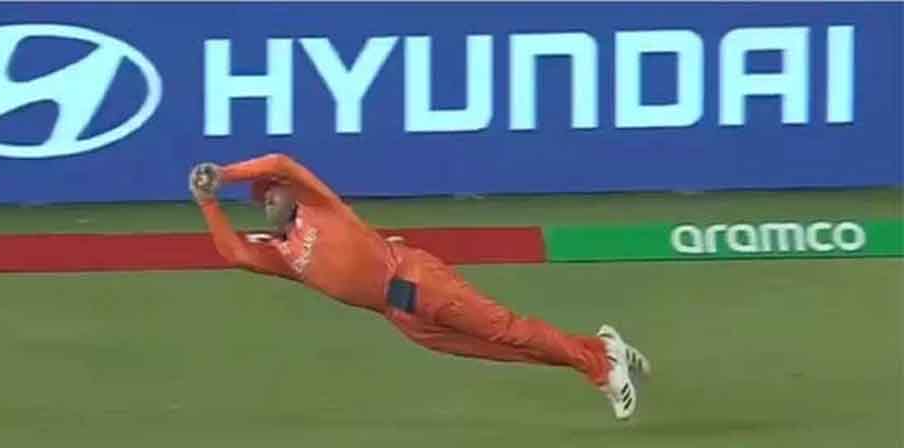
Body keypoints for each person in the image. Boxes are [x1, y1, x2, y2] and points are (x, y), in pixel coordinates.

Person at [189, 153, 650, 420]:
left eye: (271, 191)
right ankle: (601, 349)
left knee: (505, 328)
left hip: (413, 278)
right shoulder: (283, 254)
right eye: (261, 200)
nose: (267, 199)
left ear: (291, 191)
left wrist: (226, 175)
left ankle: (598, 368)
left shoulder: (319, 206)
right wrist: (208, 202)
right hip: (402, 317)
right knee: (505, 348)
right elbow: (234, 253)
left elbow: (280, 162)